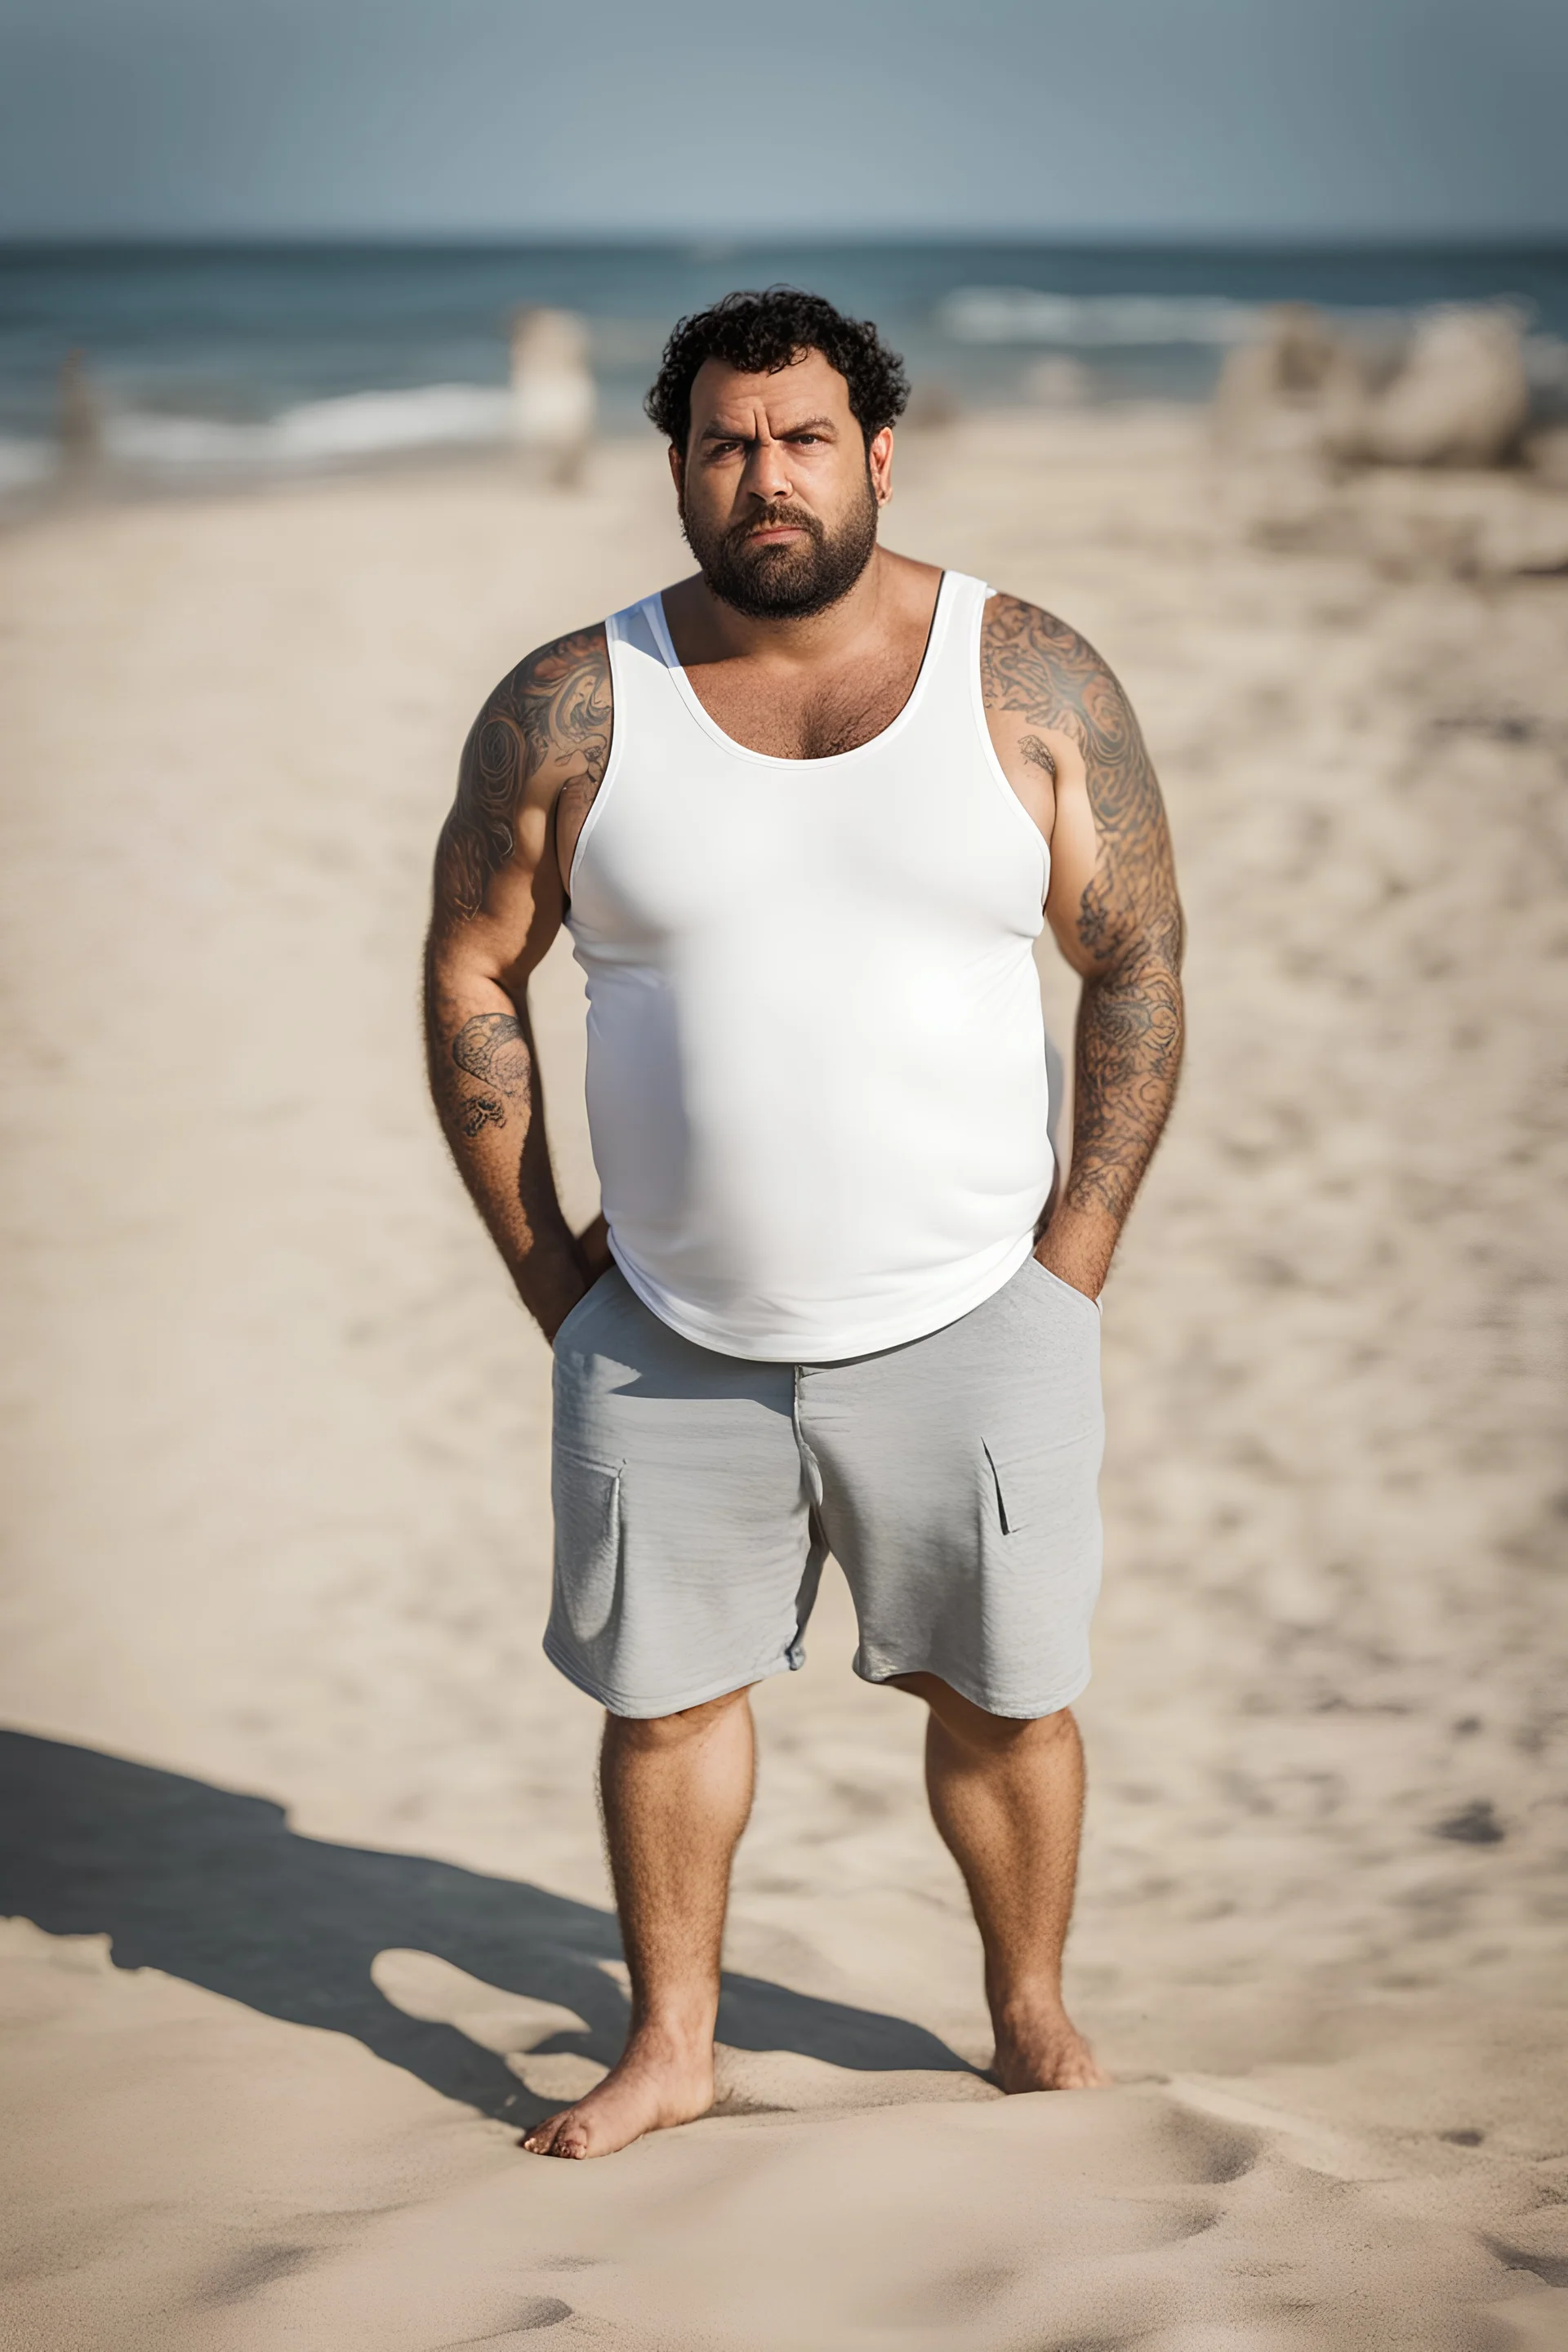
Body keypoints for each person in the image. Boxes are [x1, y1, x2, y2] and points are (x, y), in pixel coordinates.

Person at [423, 289, 1184, 2160]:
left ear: (878, 451)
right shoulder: (572, 701)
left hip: (974, 1318)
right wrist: (548, 1276)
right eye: (727, 443)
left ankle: (1028, 2016)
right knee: (666, 1709)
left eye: (806, 437)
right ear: (678, 468)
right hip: (665, 1332)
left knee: (1004, 1706)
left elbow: (1139, 959)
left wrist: (1073, 1261)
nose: (769, 476)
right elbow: (469, 973)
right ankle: (673, 2044)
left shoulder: (1029, 676)